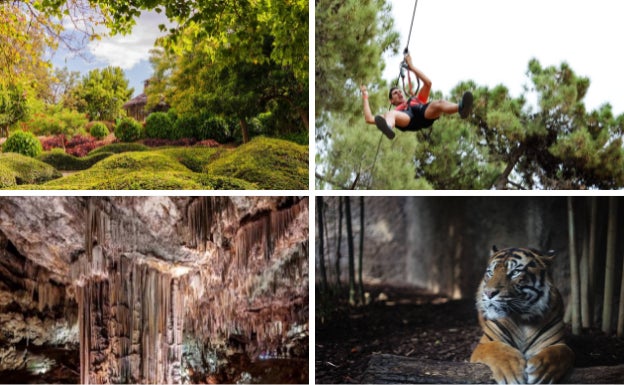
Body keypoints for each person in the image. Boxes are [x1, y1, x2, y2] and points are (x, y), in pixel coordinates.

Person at [360, 53, 473, 139]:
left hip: (423, 115)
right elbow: (369, 119)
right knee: (391, 113)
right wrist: (365, 96)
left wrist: (412, 67)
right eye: (395, 93)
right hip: (407, 120)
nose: (399, 93)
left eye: (399, 91)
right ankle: (388, 127)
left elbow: (428, 83)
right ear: (391, 101)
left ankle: (461, 108)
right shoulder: (395, 112)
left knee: (439, 103)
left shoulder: (416, 100)